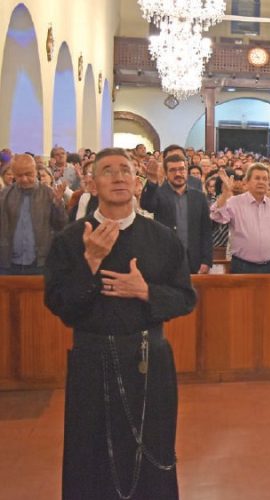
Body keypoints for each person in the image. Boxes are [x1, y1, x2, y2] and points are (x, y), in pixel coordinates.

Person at [44, 147, 197, 499]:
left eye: (125, 170)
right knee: (91, 451)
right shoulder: (70, 239)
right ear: (92, 183)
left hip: (149, 358)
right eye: (108, 171)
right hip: (92, 359)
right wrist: (90, 261)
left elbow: (186, 298)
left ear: (136, 181)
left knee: (153, 446)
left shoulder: (162, 237)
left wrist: (146, 292)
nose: (118, 177)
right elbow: (59, 303)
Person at [139, 154, 213, 274]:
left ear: (186, 171)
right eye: (173, 170)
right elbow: (146, 205)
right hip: (166, 259)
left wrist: (207, 260)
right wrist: (152, 181)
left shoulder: (199, 197)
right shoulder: (159, 193)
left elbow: (206, 231)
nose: (178, 173)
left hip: (194, 260)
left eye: (181, 169)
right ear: (166, 173)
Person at [210, 164, 270, 274]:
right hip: (242, 266)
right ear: (247, 182)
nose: (261, 182)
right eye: (257, 178)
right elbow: (216, 216)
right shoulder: (234, 202)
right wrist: (225, 194)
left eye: (265, 179)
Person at [0, 154, 68, 275]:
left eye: (28, 174)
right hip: (8, 263)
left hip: (39, 263)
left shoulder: (48, 193)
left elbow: (60, 225)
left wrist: (58, 204)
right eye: (19, 175)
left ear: (35, 171)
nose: (24, 179)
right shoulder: (5, 195)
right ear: (14, 174)